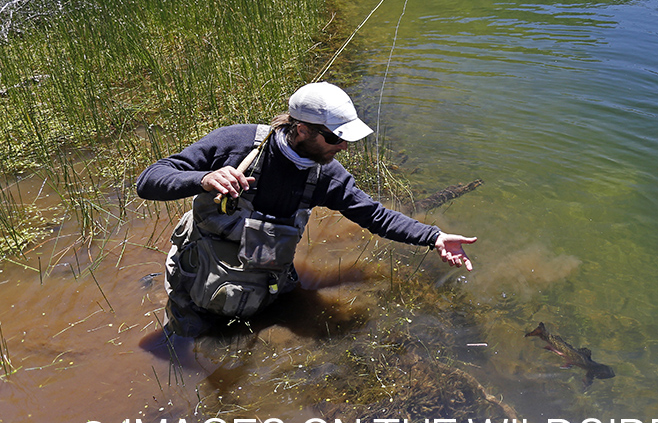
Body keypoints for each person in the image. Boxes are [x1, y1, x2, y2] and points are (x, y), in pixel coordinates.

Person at [137, 82, 476, 337]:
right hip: (196, 278)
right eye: (334, 138)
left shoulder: (327, 177)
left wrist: (435, 237)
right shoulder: (235, 144)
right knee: (188, 341)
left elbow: (375, 215)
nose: (343, 146)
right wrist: (204, 178)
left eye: (347, 139)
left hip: (266, 280)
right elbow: (149, 180)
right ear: (302, 129)